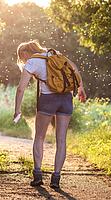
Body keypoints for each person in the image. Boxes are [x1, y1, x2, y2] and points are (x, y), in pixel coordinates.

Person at [14, 40, 87, 189]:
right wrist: (81, 89)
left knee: (39, 137)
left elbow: (21, 88)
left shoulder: (32, 62)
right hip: (66, 99)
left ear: (24, 53)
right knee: (61, 140)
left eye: (22, 58)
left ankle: (38, 175)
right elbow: (74, 69)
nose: (23, 61)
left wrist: (17, 109)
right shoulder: (54, 53)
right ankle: (56, 178)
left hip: (48, 100)